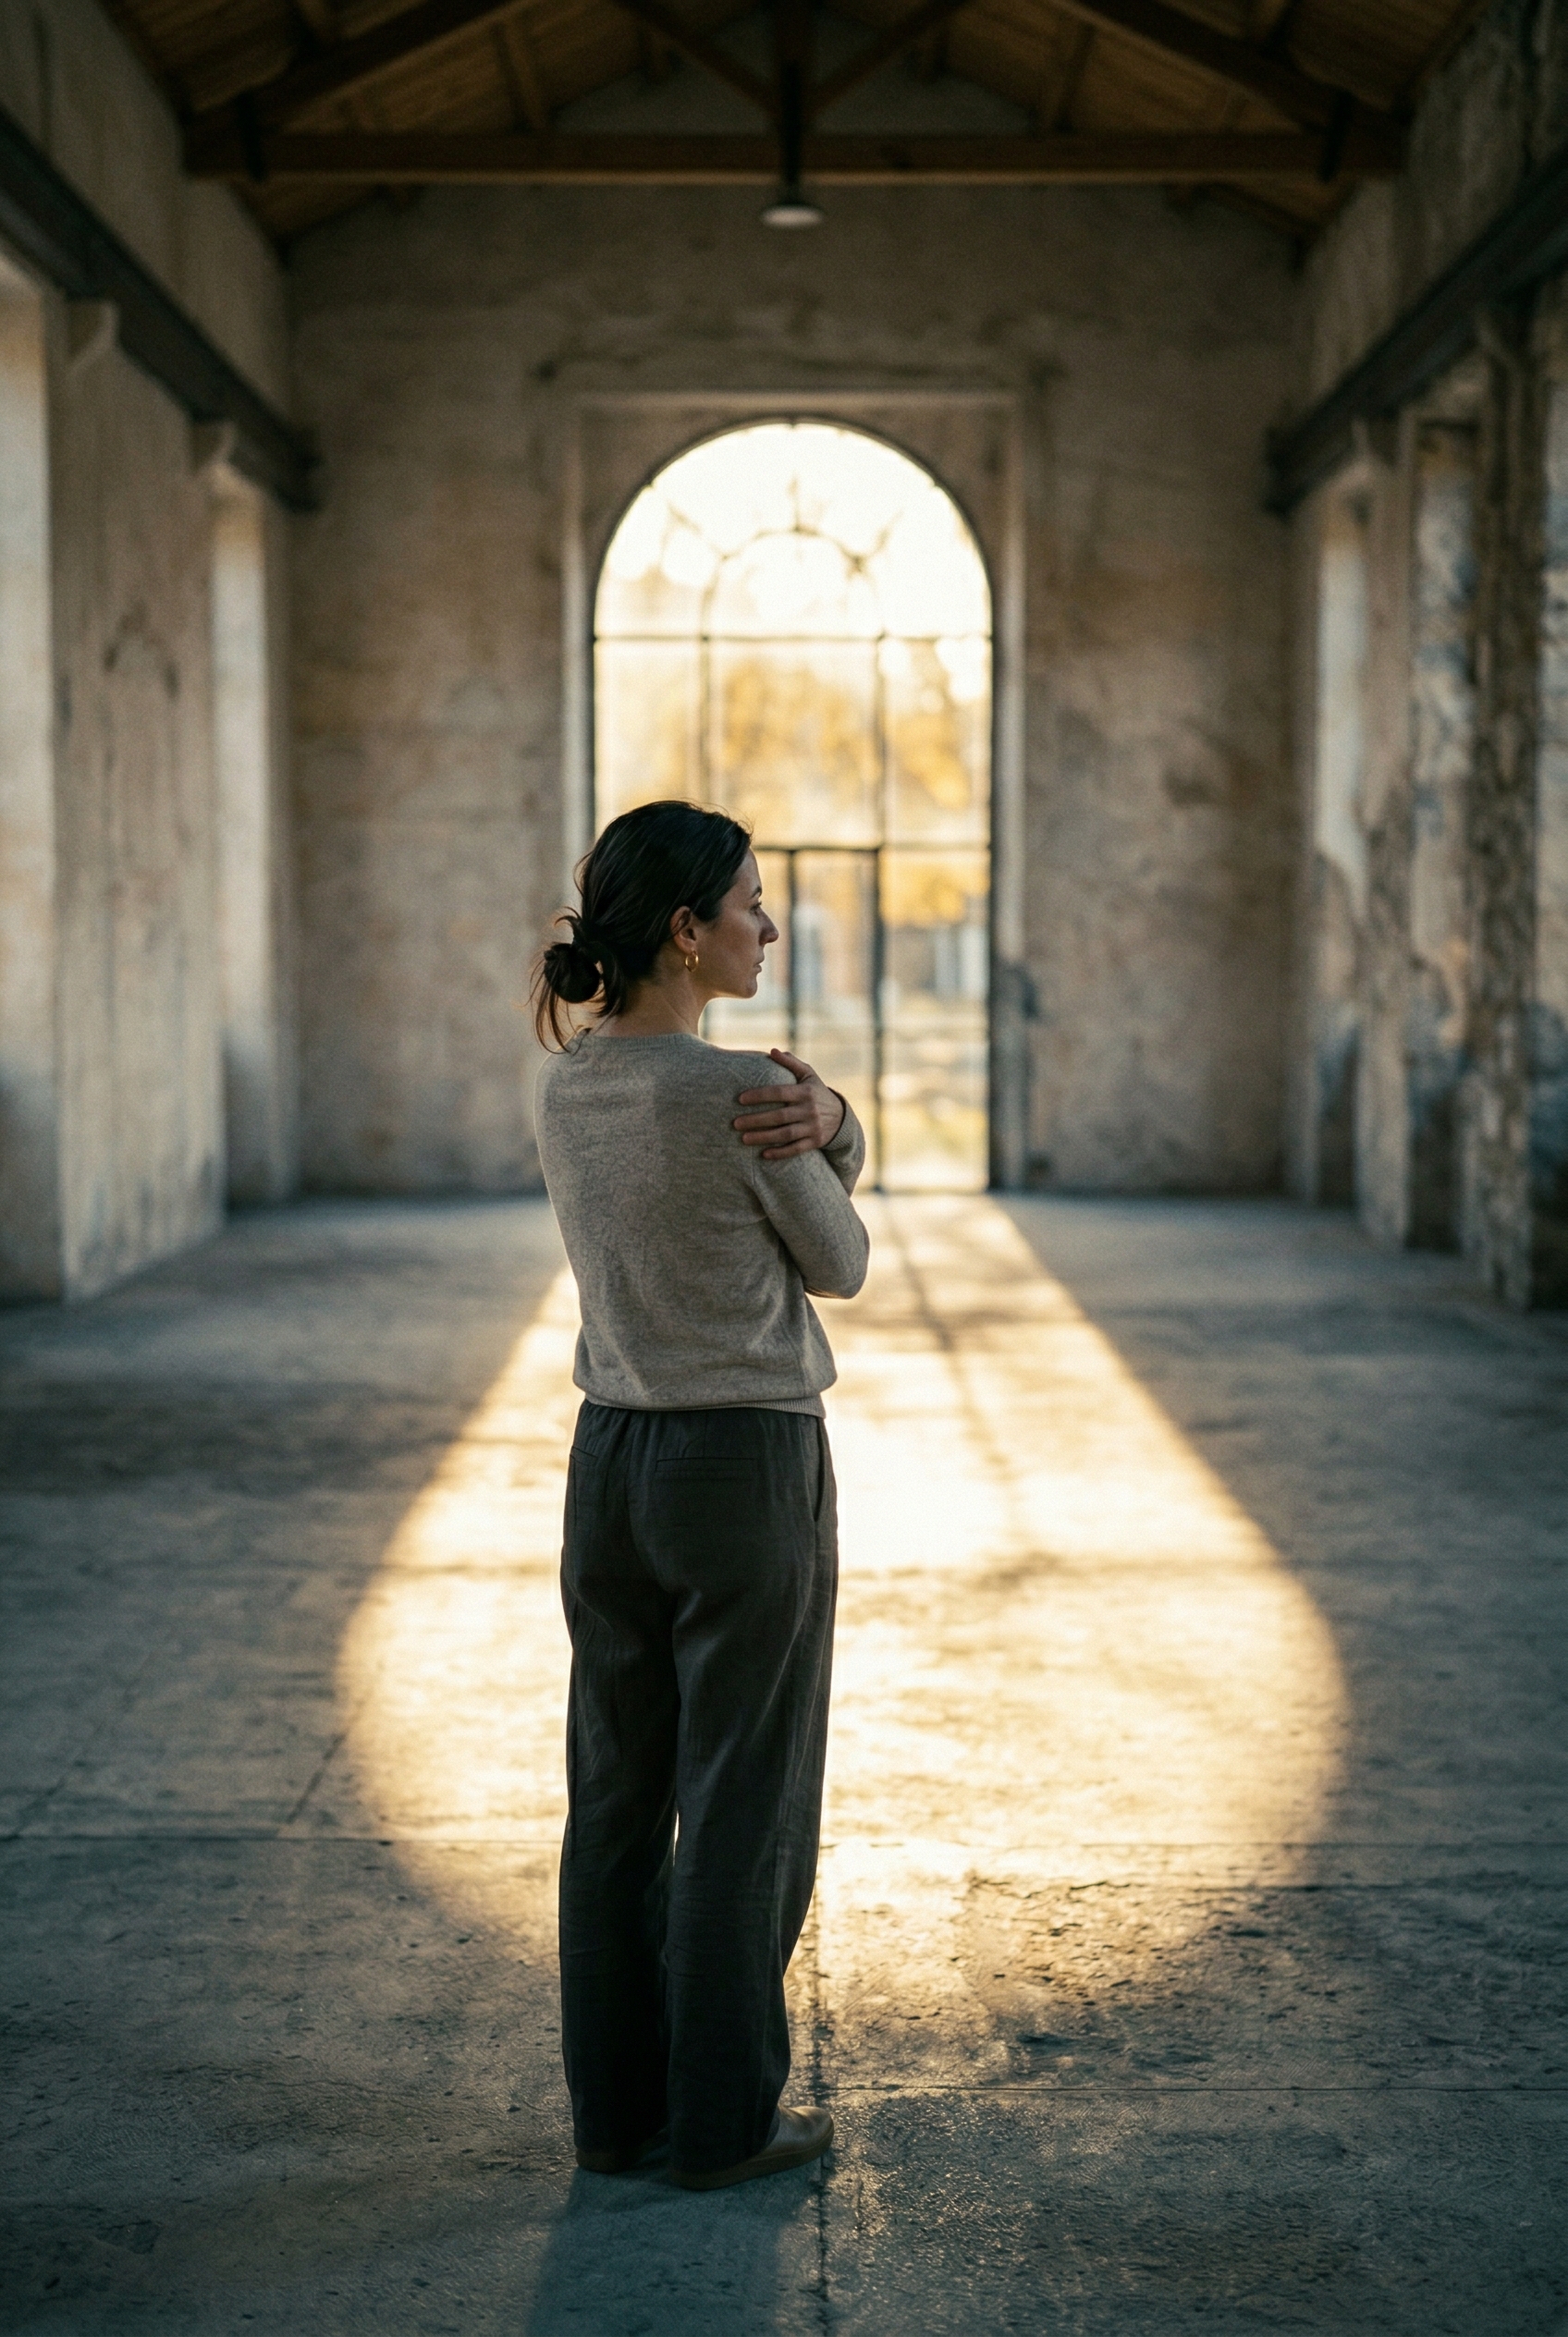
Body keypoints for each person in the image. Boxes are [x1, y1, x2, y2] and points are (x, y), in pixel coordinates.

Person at [532, 799, 869, 2193]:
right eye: (748, 904)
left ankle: (615, 2119)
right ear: (685, 930)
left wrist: (826, 1122)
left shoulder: (569, 1085)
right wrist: (835, 1121)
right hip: (743, 1468)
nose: (767, 928)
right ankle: (723, 2123)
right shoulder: (738, 1093)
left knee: (615, 1796)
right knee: (743, 1799)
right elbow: (841, 1260)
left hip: (611, 1460)